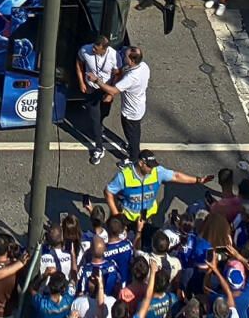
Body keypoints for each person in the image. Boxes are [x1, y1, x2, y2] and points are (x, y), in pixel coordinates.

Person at [102, 151, 202, 228]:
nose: (152, 169)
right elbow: (108, 191)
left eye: (153, 166)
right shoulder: (124, 176)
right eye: (149, 166)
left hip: (149, 216)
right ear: (141, 163)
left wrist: (197, 180)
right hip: (128, 218)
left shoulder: (157, 172)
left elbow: (176, 176)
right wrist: (116, 214)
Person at [73, 33, 121, 166]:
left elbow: (117, 73)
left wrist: (111, 93)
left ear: (104, 49)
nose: (93, 50)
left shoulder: (114, 56)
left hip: (106, 88)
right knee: (94, 117)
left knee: (103, 114)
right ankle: (99, 148)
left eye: (96, 48)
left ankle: (100, 126)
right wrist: (81, 82)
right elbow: (78, 63)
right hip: (91, 89)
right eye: (93, 47)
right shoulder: (85, 50)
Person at [107, 44, 155, 160]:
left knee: (132, 135)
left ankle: (133, 159)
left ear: (132, 60)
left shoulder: (132, 77)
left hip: (130, 112)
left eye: (126, 56)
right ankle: (133, 147)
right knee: (135, 132)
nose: (123, 57)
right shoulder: (143, 67)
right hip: (138, 107)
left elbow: (113, 90)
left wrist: (97, 81)